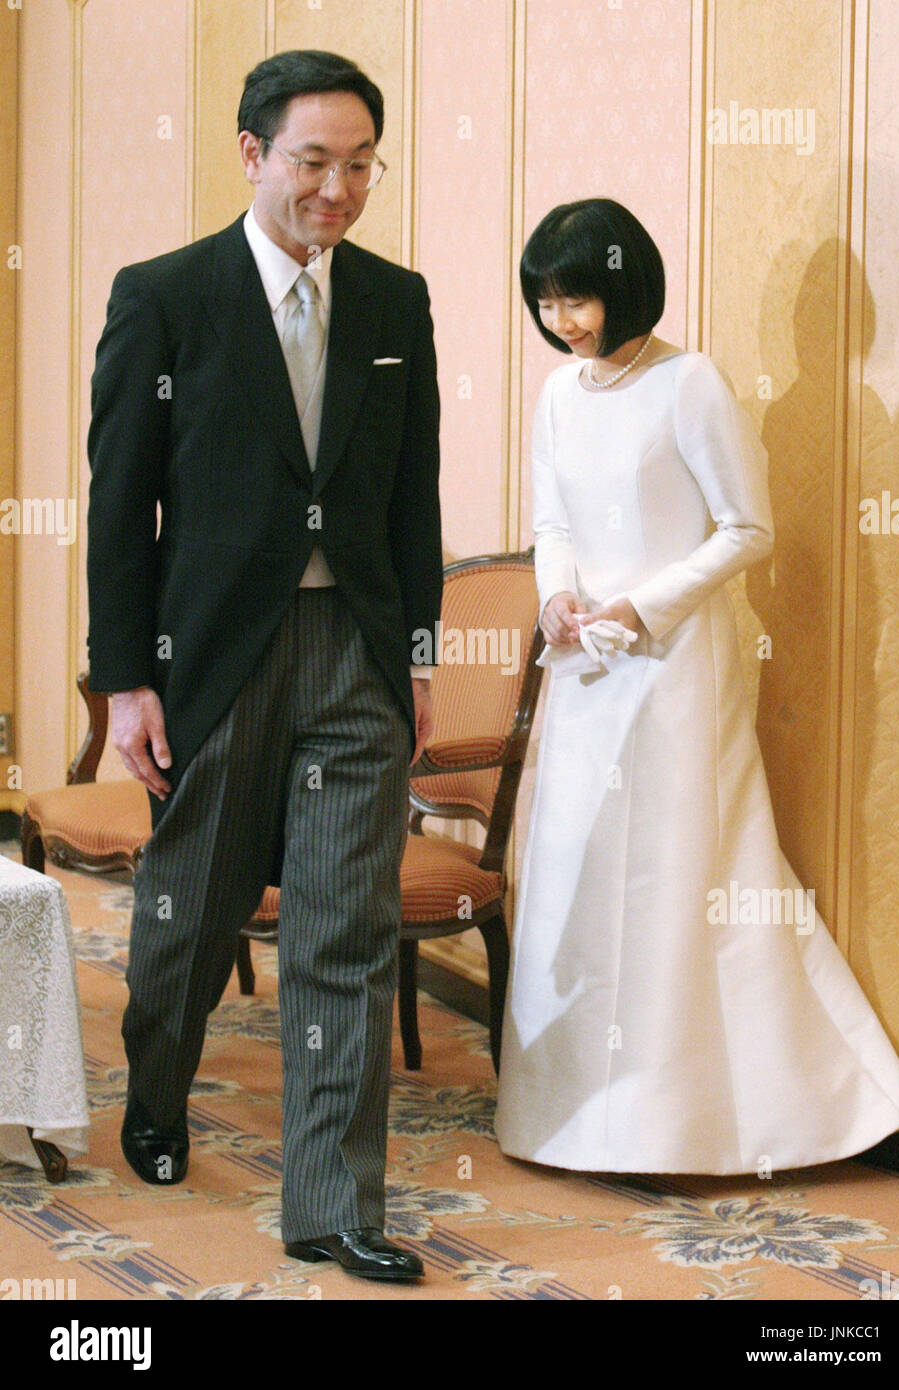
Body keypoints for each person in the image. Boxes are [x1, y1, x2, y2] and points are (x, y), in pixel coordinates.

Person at [86, 50, 443, 1282]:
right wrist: (124, 679)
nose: (337, 190)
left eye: (360, 165)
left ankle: (335, 1205)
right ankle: (157, 1084)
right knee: (191, 914)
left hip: (352, 650)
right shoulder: (166, 296)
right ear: (251, 154)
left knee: (343, 930)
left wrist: (415, 654)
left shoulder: (396, 304)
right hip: (214, 656)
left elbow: (412, 498)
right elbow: (118, 501)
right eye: (312, 162)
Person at [494, 198, 899, 1175]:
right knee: (576, 869)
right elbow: (551, 520)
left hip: (674, 667)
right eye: (549, 302)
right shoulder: (559, 395)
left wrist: (644, 608)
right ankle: (566, 1112)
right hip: (584, 670)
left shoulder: (691, 383)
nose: (564, 320)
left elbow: (747, 531)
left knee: (672, 876)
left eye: (579, 298)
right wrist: (556, 595)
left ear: (625, 282)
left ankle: (675, 1119)